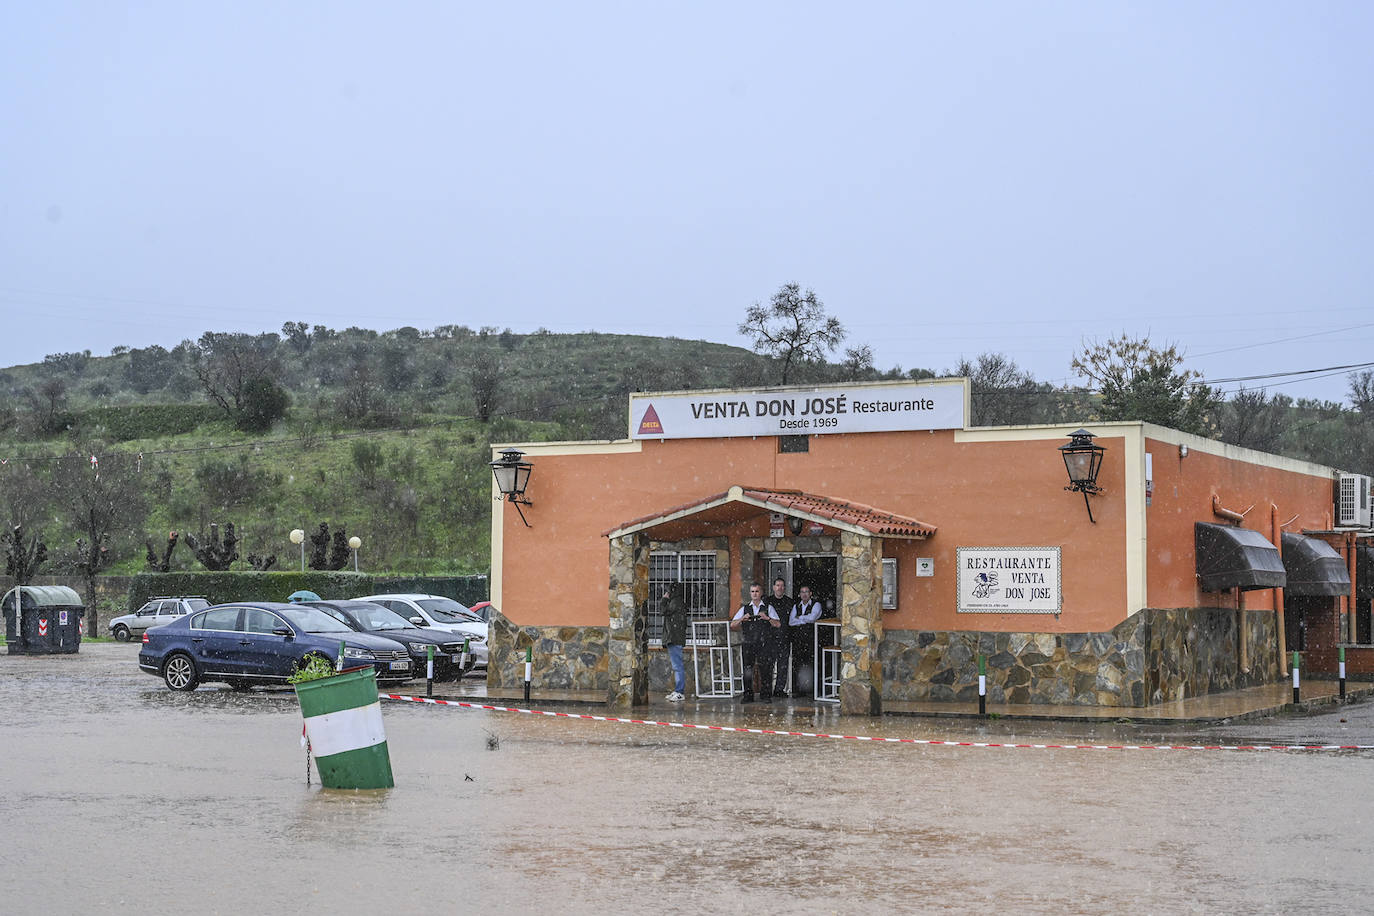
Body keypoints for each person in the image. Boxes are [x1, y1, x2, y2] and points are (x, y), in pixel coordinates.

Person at [730, 583, 779, 703]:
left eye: (757, 591)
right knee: (747, 669)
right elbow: (732, 624)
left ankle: (765, 695)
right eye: (752, 591)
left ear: (761, 593)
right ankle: (748, 695)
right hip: (749, 643)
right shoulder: (744, 608)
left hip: (764, 643)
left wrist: (767, 618)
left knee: (766, 669)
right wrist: (742, 618)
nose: (755, 594)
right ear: (750, 593)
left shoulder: (768, 607)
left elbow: (778, 624)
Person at [787, 585, 823, 697]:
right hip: (798, 639)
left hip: (812, 638)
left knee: (812, 663)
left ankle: (814, 690)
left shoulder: (816, 604)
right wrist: (805, 619)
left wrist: (800, 617)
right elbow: (791, 622)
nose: (804, 594)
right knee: (798, 663)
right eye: (802, 592)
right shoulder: (796, 605)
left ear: (810, 593)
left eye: (806, 592)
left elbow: (812, 618)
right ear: (799, 594)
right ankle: (799, 690)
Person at [661, 582, 688, 702]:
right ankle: (678, 690)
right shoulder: (678, 601)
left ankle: (680, 691)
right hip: (675, 637)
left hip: (674, 637)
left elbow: (663, 611)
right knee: (677, 666)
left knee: (677, 666)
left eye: (668, 591)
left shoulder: (675, 602)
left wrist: (664, 599)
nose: (667, 593)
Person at [767, 577, 793, 698]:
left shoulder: (790, 602)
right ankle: (767, 689)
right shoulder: (767, 601)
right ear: (773, 587)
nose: (780, 588)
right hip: (769, 638)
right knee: (768, 665)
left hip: (784, 637)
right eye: (777, 585)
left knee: (783, 666)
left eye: (782, 586)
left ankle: (779, 690)